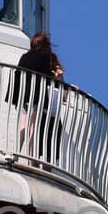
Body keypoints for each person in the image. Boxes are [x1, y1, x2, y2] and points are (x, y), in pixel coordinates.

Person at [10, 32, 66, 163]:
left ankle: (16, 154)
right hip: (36, 95)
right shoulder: (44, 57)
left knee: (24, 125)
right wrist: (56, 77)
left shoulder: (24, 57)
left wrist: (14, 96)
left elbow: (18, 75)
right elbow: (46, 76)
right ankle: (30, 158)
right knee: (33, 127)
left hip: (23, 95)